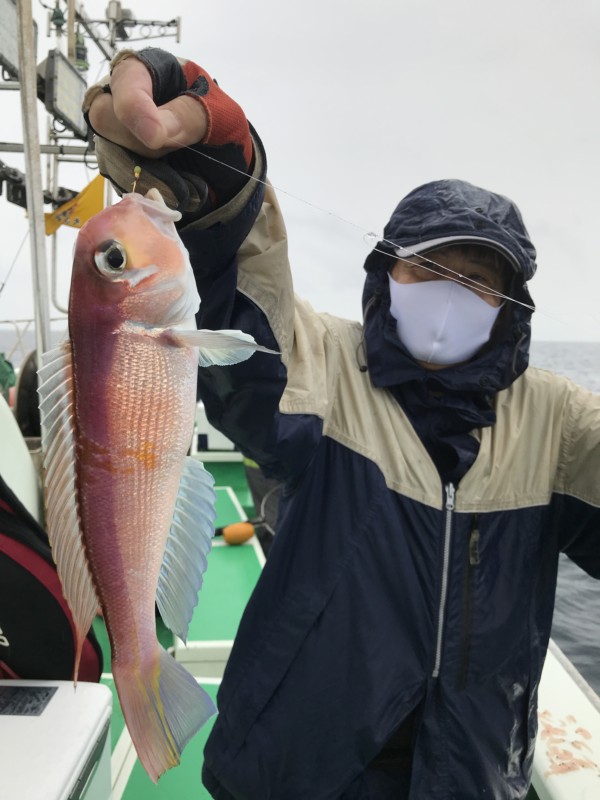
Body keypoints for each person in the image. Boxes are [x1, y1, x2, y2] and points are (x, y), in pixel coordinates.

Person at [84, 48, 600, 800]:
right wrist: (212, 170)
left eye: (478, 279)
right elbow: (241, 309)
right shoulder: (326, 366)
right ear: (385, 276)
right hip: (290, 777)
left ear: (510, 306)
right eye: (427, 269)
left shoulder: (559, 422)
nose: (450, 294)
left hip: (471, 780)